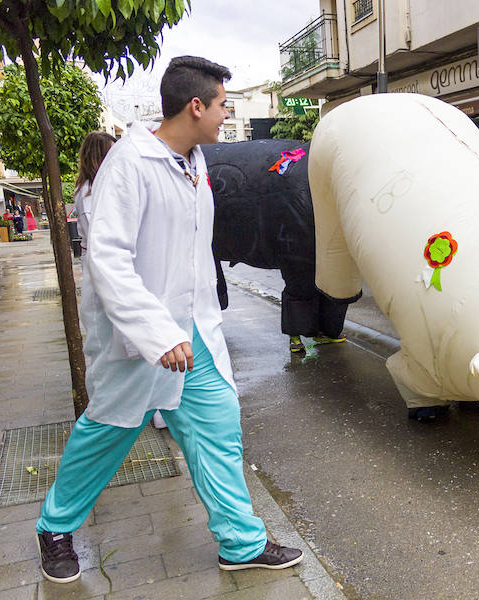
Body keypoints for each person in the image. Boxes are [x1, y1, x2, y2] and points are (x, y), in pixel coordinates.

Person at [35, 56, 303, 585]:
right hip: (142, 336)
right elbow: (107, 259)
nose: (228, 114)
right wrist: (156, 333)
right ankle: (55, 526)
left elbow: (191, 249)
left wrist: (205, 312)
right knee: (108, 433)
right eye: (224, 105)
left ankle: (240, 541)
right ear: (195, 106)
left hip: (194, 330)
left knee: (218, 427)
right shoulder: (129, 165)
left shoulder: (194, 161)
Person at [73, 131, 117, 251]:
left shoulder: (104, 185)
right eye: (111, 154)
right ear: (98, 158)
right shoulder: (88, 191)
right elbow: (96, 235)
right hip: (103, 258)